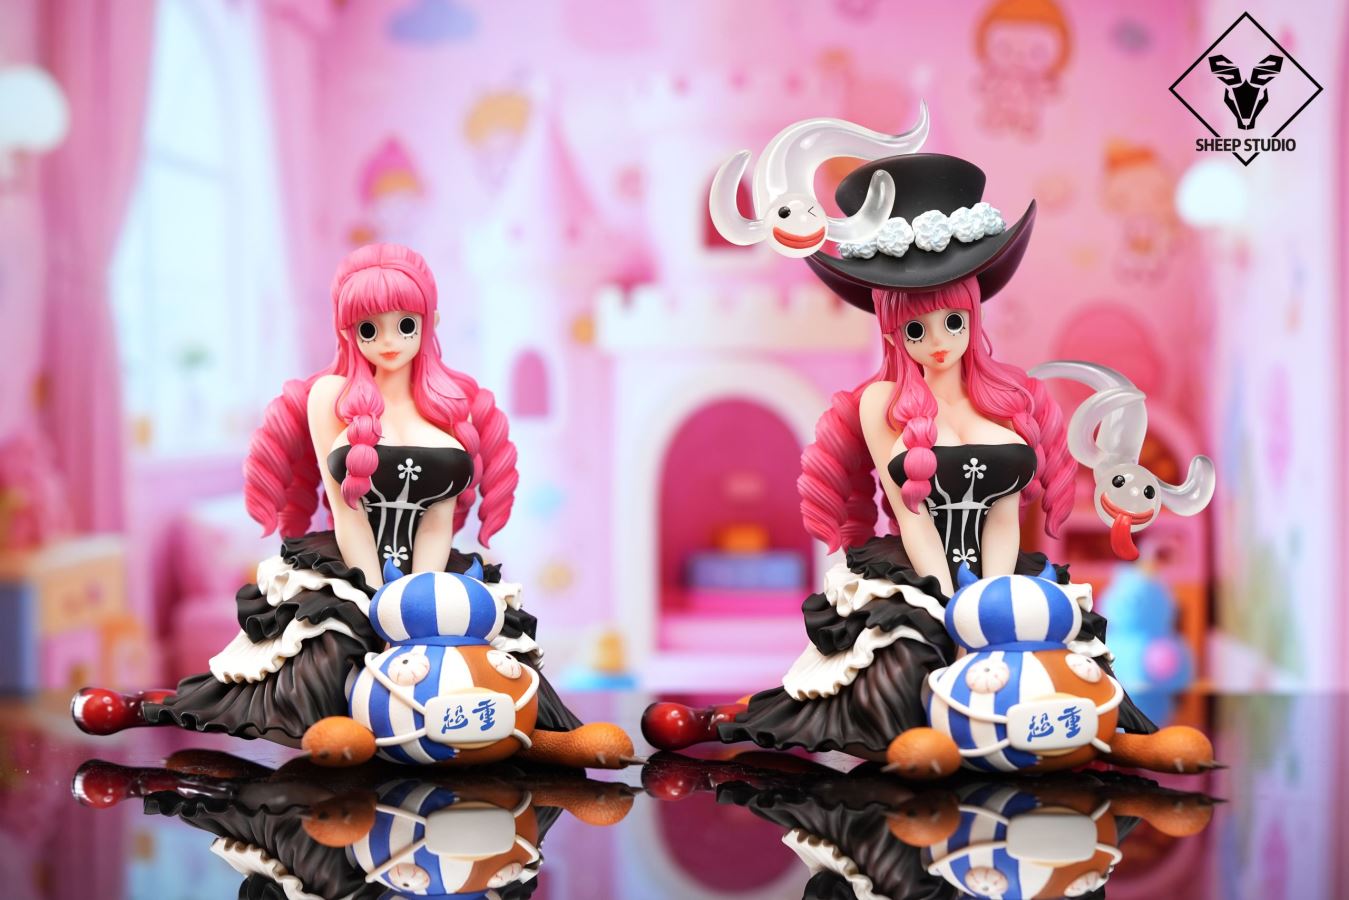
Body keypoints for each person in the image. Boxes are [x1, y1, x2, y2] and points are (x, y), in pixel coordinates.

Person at [643, 154, 1156, 762]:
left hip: (998, 574)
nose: (937, 343)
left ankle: (1092, 735)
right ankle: (737, 721)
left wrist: (991, 606)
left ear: (974, 314)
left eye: (953, 322)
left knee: (1061, 647)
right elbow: (913, 520)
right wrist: (953, 606)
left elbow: (1001, 515)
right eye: (917, 329)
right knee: (909, 659)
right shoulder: (882, 403)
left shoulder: (1006, 399)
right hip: (919, 574)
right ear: (892, 331)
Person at [73, 244, 586, 748]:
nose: (389, 341)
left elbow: (436, 522)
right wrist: (380, 600)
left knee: (492, 652)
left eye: (405, 324)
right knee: (329, 652)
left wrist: (416, 604)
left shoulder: (454, 405)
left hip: (430, 573)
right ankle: (154, 709)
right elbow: (348, 511)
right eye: (370, 329)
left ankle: (538, 738)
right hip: (353, 569)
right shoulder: (331, 397)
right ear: (348, 330)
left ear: (429, 322)